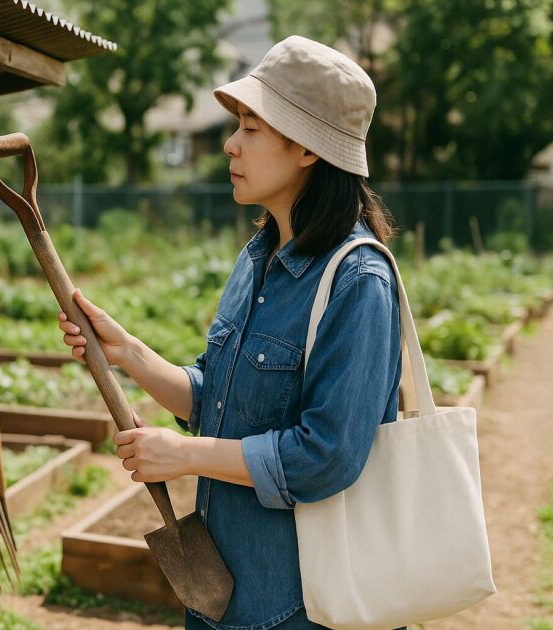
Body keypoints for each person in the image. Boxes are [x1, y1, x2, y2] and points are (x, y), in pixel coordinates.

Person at [57, 36, 407, 629]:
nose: (230, 144)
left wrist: (183, 456)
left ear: (307, 147)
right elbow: (218, 401)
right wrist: (129, 353)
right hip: (222, 591)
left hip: (303, 607)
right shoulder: (259, 257)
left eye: (250, 127)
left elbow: (326, 456)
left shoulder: (358, 281)